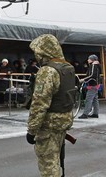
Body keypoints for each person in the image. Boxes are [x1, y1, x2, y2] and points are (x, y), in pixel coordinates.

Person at [26, 34, 76, 177]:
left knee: (48, 163)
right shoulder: (67, 67)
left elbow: (39, 104)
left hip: (49, 124)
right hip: (64, 119)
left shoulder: (48, 70)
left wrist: (32, 130)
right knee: (56, 159)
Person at [79, 55, 101, 119]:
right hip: (96, 83)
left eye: (89, 59)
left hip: (92, 84)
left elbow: (92, 75)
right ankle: (95, 113)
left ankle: (85, 114)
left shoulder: (93, 65)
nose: (88, 60)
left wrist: (84, 79)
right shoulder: (97, 65)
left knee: (88, 99)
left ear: (92, 60)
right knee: (95, 99)